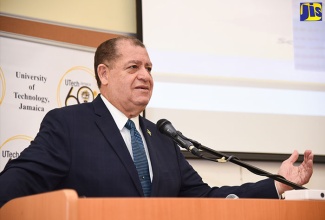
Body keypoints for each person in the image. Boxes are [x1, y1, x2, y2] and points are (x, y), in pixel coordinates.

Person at [0, 36, 314, 207]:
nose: (145, 76)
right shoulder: (68, 125)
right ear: (104, 74)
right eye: (133, 67)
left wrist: (277, 183)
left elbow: (204, 199)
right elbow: (21, 180)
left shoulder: (161, 137)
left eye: (149, 68)